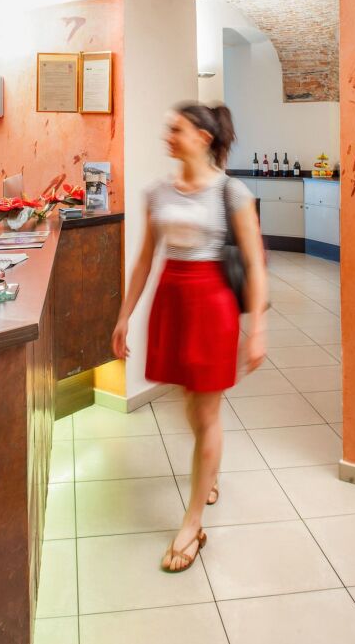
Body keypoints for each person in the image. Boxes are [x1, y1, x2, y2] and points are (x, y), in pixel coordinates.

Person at [111, 102, 268, 572]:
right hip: (172, 301)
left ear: (202, 137)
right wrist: (123, 316)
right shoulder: (157, 192)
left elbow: (255, 263)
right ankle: (209, 468)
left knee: (206, 409)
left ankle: (192, 524)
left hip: (212, 304)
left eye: (176, 129)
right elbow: (144, 259)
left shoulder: (231, 192)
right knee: (190, 403)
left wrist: (257, 329)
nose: (168, 136)